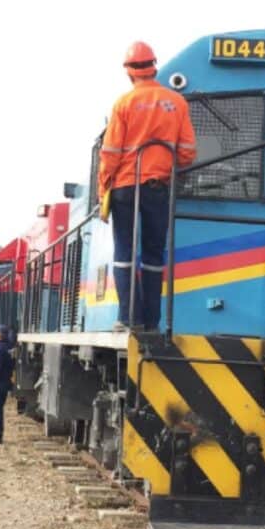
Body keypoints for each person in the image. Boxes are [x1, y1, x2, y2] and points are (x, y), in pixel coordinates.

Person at [99, 41, 197, 332]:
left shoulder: (124, 104)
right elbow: (187, 152)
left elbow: (110, 153)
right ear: (154, 66)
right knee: (154, 255)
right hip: (157, 187)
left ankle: (129, 318)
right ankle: (152, 322)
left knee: (125, 253)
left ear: (129, 72)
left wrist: (104, 189)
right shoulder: (177, 103)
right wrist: (170, 168)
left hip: (125, 187)